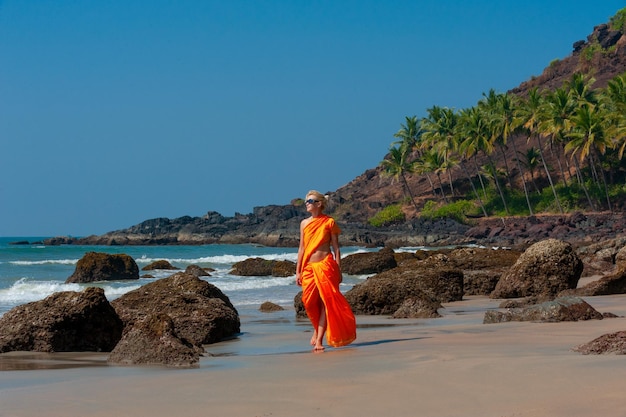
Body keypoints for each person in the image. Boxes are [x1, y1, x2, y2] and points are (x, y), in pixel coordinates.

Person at [295, 190, 356, 352]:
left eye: (310, 201)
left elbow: (336, 248)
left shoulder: (329, 222)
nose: (307, 203)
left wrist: (338, 269)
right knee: (308, 302)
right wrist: (298, 270)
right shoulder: (304, 223)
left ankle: (319, 339)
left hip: (326, 265)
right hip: (308, 267)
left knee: (326, 302)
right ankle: (317, 329)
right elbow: (301, 248)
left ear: (319, 204)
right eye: (306, 201)